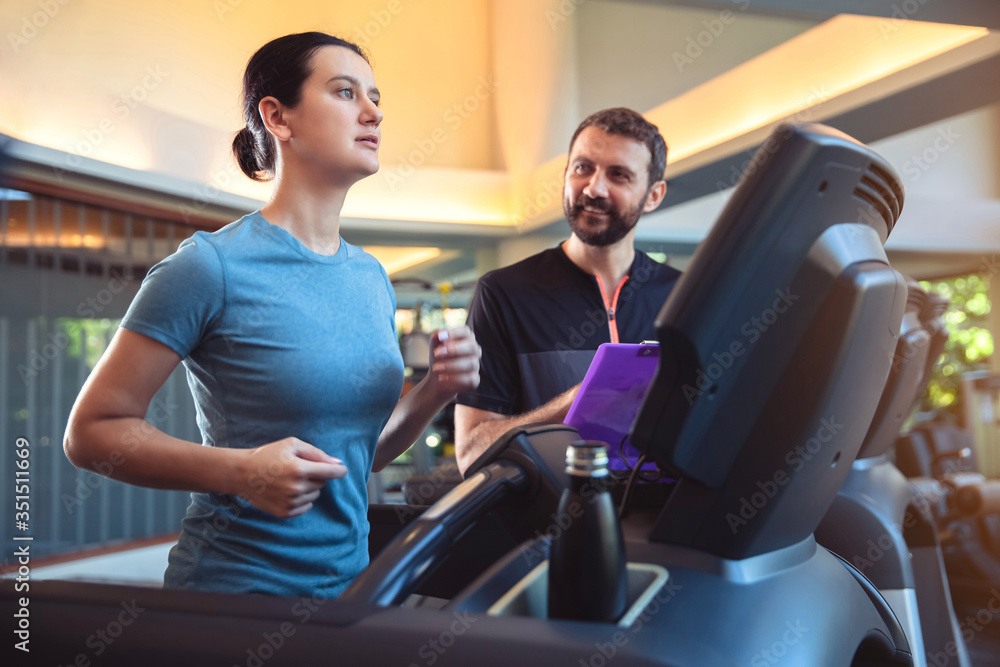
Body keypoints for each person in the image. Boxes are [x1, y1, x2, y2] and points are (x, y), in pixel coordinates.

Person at [63, 32, 481, 598]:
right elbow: (90, 434)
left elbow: (362, 454)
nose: (373, 112)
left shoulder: (371, 278)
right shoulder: (210, 268)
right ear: (277, 118)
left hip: (348, 591)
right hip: (234, 592)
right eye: (344, 92)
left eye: (376, 97)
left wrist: (436, 388)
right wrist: (241, 472)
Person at [454, 108, 680, 473]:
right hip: (548, 525)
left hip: (663, 524)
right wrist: (573, 405)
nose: (594, 188)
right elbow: (470, 454)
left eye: (618, 175)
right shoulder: (504, 293)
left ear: (653, 195)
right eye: (582, 168)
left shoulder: (686, 296)